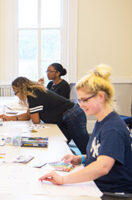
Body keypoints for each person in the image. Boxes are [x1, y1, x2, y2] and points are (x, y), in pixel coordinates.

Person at [39, 65, 132, 198]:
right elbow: (104, 154)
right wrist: (81, 158)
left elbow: (103, 166)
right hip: (97, 186)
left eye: (85, 100)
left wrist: (64, 179)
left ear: (100, 96)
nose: (81, 105)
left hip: (113, 193)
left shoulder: (113, 128)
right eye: (79, 100)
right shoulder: (102, 122)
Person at [0, 77, 89, 154]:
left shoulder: (33, 96)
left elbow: (36, 121)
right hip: (68, 115)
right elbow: (28, 115)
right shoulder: (34, 92)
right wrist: (9, 118)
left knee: (83, 146)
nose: (17, 95)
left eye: (16, 93)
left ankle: (93, 167)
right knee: (61, 143)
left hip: (73, 115)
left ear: (21, 90)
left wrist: (29, 115)